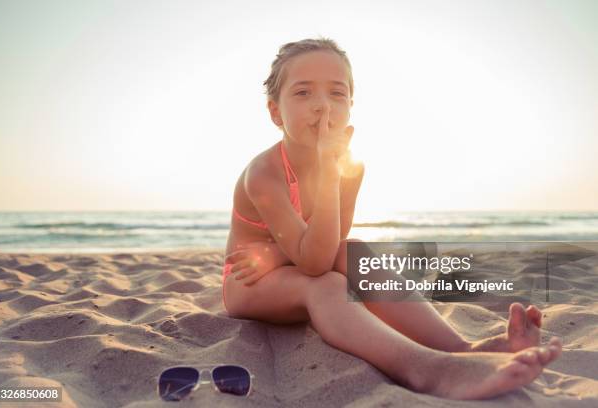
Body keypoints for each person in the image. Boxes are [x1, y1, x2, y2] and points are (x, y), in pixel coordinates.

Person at [221, 37, 561, 400]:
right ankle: (427, 369)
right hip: (248, 281)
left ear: (350, 106)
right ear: (276, 112)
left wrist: (284, 247)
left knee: (355, 251)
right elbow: (317, 263)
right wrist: (322, 181)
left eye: (336, 94)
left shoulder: (351, 167)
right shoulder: (263, 173)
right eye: (303, 93)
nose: (322, 106)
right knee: (327, 286)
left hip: (294, 261)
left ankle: (461, 349)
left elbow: (334, 241)